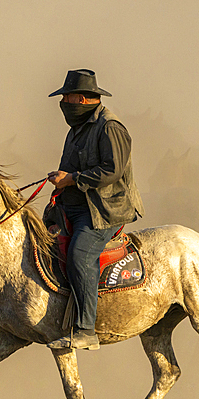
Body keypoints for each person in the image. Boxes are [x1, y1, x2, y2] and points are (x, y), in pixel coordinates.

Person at [45, 69, 144, 351]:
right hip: (76, 208)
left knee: (80, 253)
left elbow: (112, 170)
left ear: (84, 99)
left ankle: (86, 329)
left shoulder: (111, 128)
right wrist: (61, 182)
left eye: (67, 96)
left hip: (105, 211)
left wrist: (73, 179)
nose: (63, 102)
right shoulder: (75, 131)